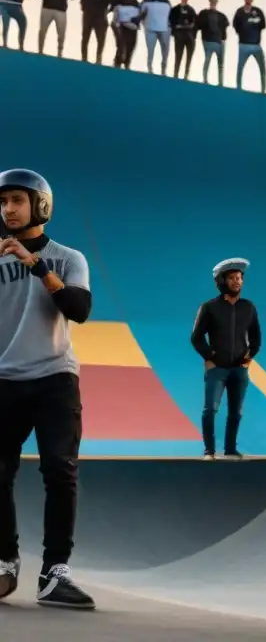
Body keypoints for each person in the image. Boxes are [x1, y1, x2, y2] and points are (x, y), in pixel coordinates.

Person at [0, 169, 95, 610]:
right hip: (4, 380)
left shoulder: (67, 258)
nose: (8, 210)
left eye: (17, 200)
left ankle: (54, 573)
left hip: (55, 377)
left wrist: (34, 265)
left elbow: (78, 309)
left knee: (60, 471)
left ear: (40, 205)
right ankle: (4, 562)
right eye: (2, 203)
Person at [190, 258, 262, 460]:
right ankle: (209, 451)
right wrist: (209, 357)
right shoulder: (209, 307)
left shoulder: (249, 307)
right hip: (217, 369)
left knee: (236, 412)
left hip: (239, 369)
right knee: (210, 409)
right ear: (221, 281)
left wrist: (248, 358)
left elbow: (256, 338)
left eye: (239, 278)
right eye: (232, 278)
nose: (237, 282)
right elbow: (196, 337)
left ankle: (230, 449)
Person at [76, 0, 110, 64]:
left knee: (101, 38)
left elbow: (106, 2)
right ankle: (84, 58)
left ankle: (98, 58)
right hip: (88, 15)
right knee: (85, 37)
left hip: (100, 17)